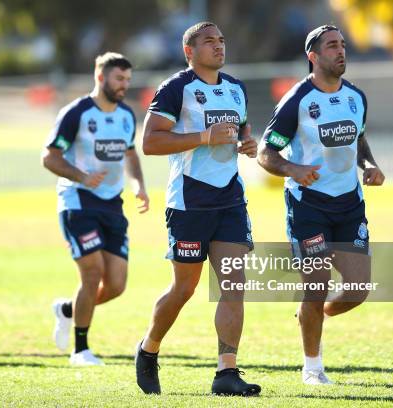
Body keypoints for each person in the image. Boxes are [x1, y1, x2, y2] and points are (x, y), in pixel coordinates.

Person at [134, 22, 261, 396]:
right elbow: (150, 142)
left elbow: (242, 128)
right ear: (189, 51)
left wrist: (247, 143)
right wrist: (204, 137)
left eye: (222, 39)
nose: (219, 46)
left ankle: (227, 372)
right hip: (189, 204)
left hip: (231, 201)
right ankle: (148, 348)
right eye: (209, 41)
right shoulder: (175, 89)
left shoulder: (236, 88)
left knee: (234, 287)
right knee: (184, 289)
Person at [257, 25, 385, 384]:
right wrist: (292, 168)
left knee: (358, 289)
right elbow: (266, 153)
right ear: (312, 56)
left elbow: (358, 140)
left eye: (343, 45)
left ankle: (312, 314)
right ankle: (312, 368)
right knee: (316, 285)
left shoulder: (356, 97)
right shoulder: (297, 100)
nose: (340, 51)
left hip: (349, 206)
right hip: (308, 206)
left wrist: (369, 164)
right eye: (332, 46)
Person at [42, 52, 149, 366]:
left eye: (128, 80)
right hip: (77, 200)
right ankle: (80, 350)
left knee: (115, 285)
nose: (124, 85)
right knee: (93, 273)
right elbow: (49, 157)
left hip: (112, 204)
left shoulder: (127, 115)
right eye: (119, 79)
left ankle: (66, 311)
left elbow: (130, 155)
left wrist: (138, 184)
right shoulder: (76, 112)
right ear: (100, 77)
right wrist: (82, 177)